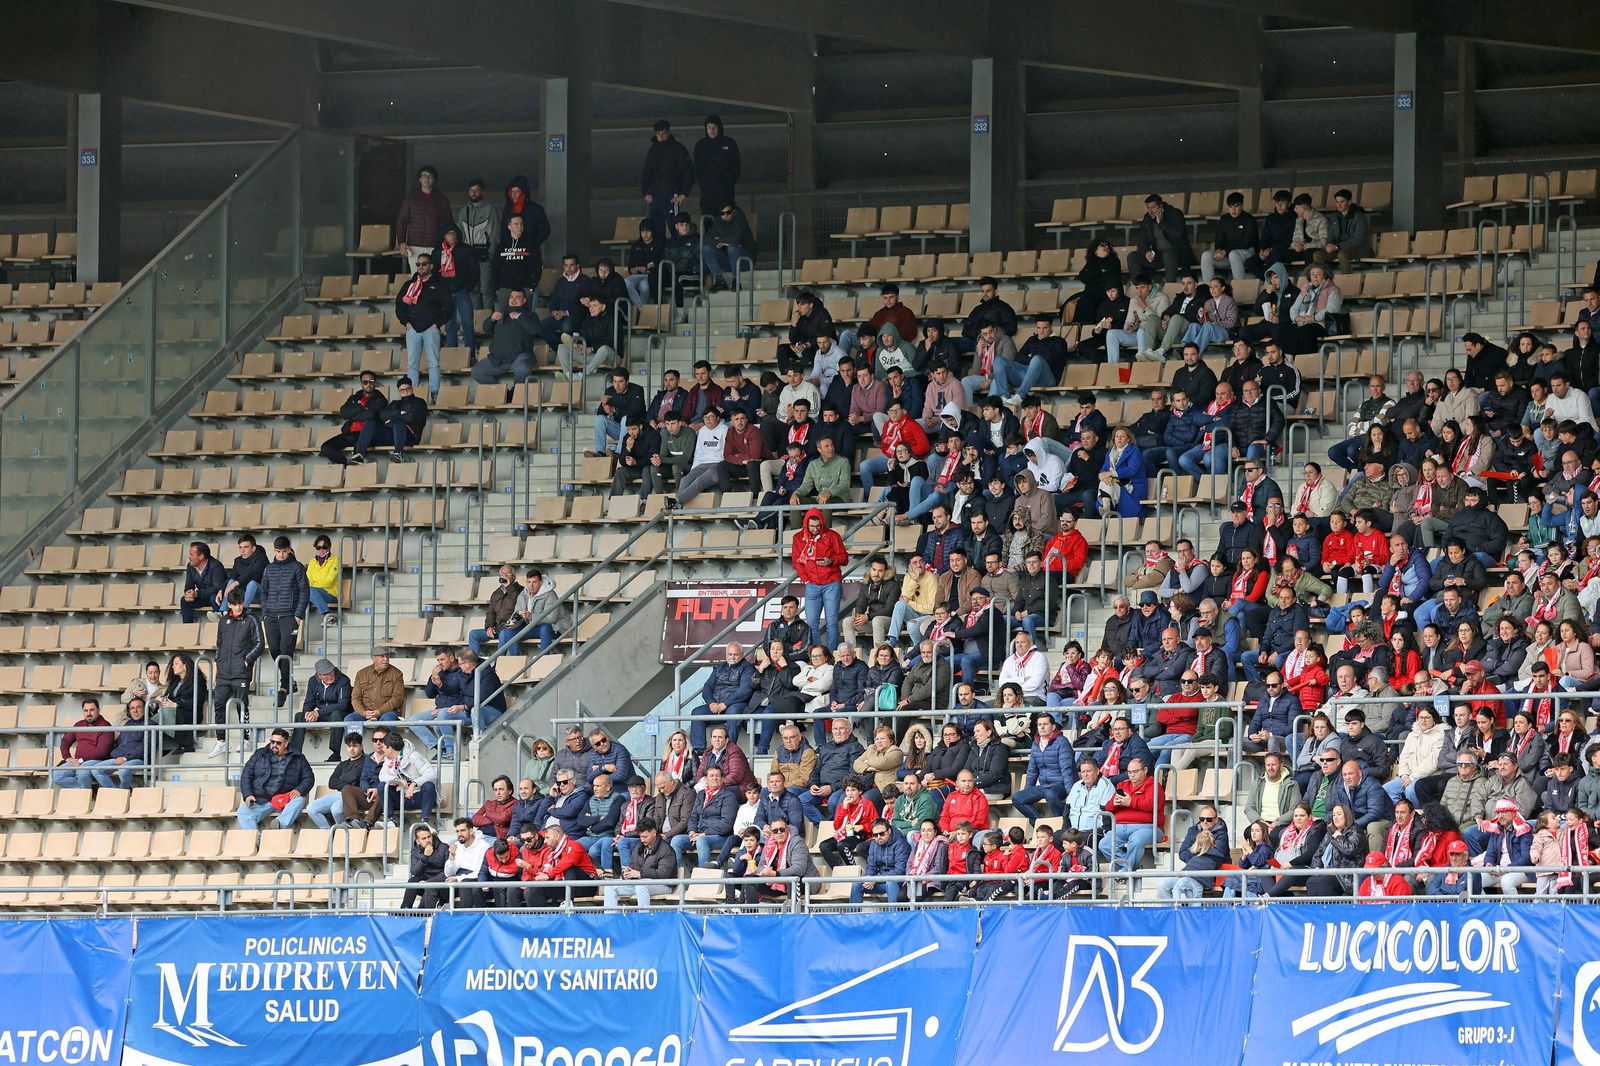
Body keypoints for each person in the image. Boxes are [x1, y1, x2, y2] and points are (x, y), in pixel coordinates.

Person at [394, 251, 451, 402]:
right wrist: (405, 323)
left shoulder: (439, 284)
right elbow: (399, 305)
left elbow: (449, 307)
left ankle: (434, 394)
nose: (420, 267)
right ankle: (410, 397)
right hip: (412, 329)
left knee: (433, 363)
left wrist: (436, 324)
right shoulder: (410, 284)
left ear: (431, 266)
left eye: (424, 264)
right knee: (412, 364)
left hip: (430, 329)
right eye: (418, 264)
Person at [259, 536, 308, 708]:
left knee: (286, 649)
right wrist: (265, 613)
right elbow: (263, 591)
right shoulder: (269, 568)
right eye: (278, 551)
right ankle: (289, 681)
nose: (280, 555)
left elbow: (304, 592)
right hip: (271, 616)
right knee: (274, 649)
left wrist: (298, 615)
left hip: (289, 616)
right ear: (274, 551)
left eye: (284, 551)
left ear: (289, 550)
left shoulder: (297, 567)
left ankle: (285, 686)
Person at [236, 728, 313, 830]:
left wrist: (300, 789)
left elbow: (309, 778)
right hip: (262, 799)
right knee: (243, 812)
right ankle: (256, 840)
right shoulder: (260, 754)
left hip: (285, 799)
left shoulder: (298, 757)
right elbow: (246, 774)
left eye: (278, 743)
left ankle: (279, 825)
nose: (274, 745)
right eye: (272, 742)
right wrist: (248, 795)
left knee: (299, 800)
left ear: (286, 744)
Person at [792, 506, 847, 649]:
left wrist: (831, 560)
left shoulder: (833, 536)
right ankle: (817, 655)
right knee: (811, 624)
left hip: (831, 583)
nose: (814, 529)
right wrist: (806, 581)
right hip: (812, 585)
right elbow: (797, 562)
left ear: (822, 523)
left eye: (817, 526)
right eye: (811, 526)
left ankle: (831, 655)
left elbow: (844, 558)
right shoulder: (798, 538)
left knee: (831, 622)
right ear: (806, 524)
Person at [1156, 805, 1230, 900]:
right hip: (1190, 872)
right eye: (1202, 819)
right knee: (1162, 886)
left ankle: (1189, 913)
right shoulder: (1193, 830)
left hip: (1211, 876)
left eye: (1209, 819)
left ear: (1216, 820)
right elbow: (1182, 853)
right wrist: (1200, 856)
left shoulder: (1221, 833)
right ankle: (1173, 912)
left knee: (1191, 895)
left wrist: (1194, 851)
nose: (1205, 822)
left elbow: (1217, 855)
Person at [603, 817, 678, 910]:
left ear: (654, 833)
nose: (642, 840)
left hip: (664, 884)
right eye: (640, 836)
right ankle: (610, 920)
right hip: (640, 882)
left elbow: (663, 874)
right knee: (610, 886)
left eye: (645, 837)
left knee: (641, 885)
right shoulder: (639, 847)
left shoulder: (666, 850)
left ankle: (643, 919)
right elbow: (632, 866)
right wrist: (626, 874)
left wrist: (640, 874)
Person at [289, 658, 353, 763]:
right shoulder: (313, 681)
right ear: (319, 675)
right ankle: (295, 754)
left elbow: (343, 705)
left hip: (339, 713)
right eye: (327, 674)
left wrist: (318, 713)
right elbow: (309, 702)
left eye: (332, 672)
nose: (331, 675)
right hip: (321, 713)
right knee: (299, 716)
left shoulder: (344, 680)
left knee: (336, 715)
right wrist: (308, 714)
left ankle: (335, 754)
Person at [319, 371, 388, 465]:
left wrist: (353, 413)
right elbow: (344, 411)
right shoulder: (355, 397)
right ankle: (346, 464)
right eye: (365, 382)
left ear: (375, 383)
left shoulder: (381, 399)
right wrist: (362, 408)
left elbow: (370, 414)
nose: (368, 384)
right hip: (350, 433)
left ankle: (356, 463)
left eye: (371, 382)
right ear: (361, 384)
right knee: (326, 447)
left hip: (368, 435)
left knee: (358, 450)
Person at [641, 119, 694, 240]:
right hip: (655, 196)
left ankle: (677, 256)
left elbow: (688, 172)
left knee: (676, 229)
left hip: (671, 196)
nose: (661, 136)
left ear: (668, 133)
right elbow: (646, 173)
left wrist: (683, 194)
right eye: (658, 133)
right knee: (657, 231)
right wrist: (646, 192)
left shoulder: (678, 149)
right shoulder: (653, 150)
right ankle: (660, 258)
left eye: (663, 133)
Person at [394, 165, 451, 272]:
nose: (426, 178)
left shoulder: (442, 200)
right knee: (416, 278)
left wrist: (447, 244)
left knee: (434, 277)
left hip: (435, 246)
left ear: (434, 180)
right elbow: (402, 221)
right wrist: (401, 242)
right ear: (420, 179)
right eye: (424, 175)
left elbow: (448, 223)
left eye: (430, 176)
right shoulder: (411, 199)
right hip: (414, 246)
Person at [306, 734, 370, 829]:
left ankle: (347, 831)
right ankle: (330, 833)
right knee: (311, 808)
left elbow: (356, 779)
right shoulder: (343, 764)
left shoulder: (366, 761)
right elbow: (332, 782)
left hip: (355, 796)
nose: (352, 749)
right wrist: (348, 784)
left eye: (355, 746)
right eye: (349, 746)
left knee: (336, 809)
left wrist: (345, 783)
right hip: (340, 794)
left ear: (361, 747)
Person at [435, 224, 479, 357]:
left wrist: (467, 288)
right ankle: (452, 357)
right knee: (449, 326)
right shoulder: (437, 252)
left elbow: (475, 272)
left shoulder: (466, 250)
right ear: (444, 236)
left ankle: (470, 356)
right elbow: (434, 274)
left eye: (454, 233)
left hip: (462, 292)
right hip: (446, 294)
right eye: (449, 234)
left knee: (468, 325)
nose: (452, 236)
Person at [378, 731, 438, 826]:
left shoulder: (413, 756)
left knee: (429, 785)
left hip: (418, 796)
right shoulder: (388, 760)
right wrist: (396, 780)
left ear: (389, 748)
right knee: (382, 786)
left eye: (384, 747)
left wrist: (414, 784)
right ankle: (391, 819)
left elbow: (432, 774)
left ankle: (425, 821)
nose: (383, 750)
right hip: (402, 797)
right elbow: (382, 776)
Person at [52, 698, 114, 788]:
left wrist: (80, 761)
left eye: (92, 710)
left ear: (98, 710)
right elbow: (65, 741)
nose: (89, 713)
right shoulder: (79, 725)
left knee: (82, 772)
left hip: (98, 760)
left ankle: (85, 795)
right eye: (86, 710)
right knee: (56, 775)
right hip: (78, 761)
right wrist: (68, 758)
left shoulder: (106, 726)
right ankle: (85, 792)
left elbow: (102, 752)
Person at [851, 818, 912, 904]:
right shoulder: (873, 844)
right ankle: (853, 917)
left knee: (891, 884)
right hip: (880, 880)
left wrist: (876, 879)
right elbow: (871, 867)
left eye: (882, 834)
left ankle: (894, 916)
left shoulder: (901, 844)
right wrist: (869, 879)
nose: (878, 837)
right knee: (857, 884)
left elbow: (900, 871)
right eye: (875, 835)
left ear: (889, 831)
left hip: (899, 881)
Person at [400, 823, 449, 910]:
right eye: (423, 838)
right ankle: (404, 910)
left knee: (429, 889)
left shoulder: (444, 848)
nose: (427, 840)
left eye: (429, 837)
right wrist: (425, 857)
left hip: (441, 884)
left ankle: (423, 914)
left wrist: (429, 882)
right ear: (418, 841)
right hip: (424, 883)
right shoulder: (415, 851)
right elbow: (415, 872)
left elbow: (448, 872)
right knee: (412, 880)